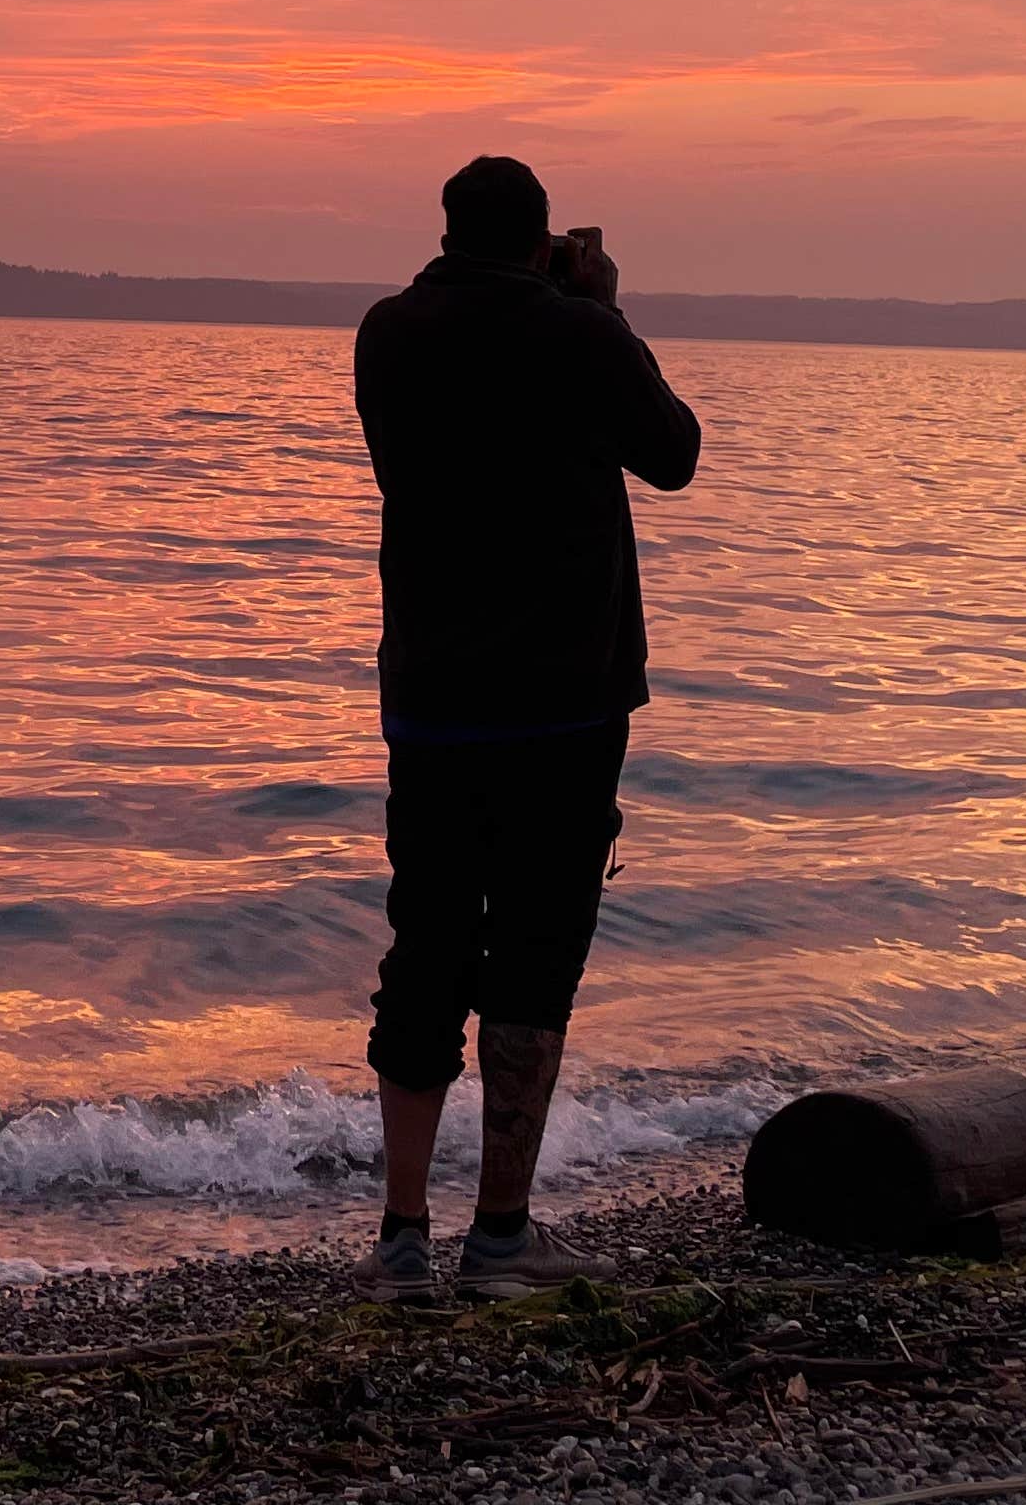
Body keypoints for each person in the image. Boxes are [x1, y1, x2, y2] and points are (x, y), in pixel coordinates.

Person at [346, 153, 703, 1302]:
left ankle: (402, 1235)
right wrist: (604, 310)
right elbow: (676, 454)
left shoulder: (387, 334)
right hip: (565, 700)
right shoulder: (582, 337)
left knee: (426, 946)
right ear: (545, 238)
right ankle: (500, 1236)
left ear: (447, 230)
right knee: (534, 952)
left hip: (434, 701)